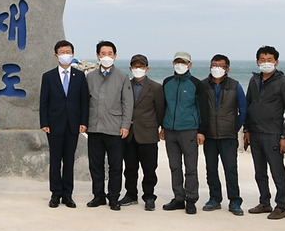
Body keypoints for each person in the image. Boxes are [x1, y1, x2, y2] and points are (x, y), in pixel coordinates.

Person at [243, 45, 285, 220]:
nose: (266, 63)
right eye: (262, 60)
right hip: (255, 133)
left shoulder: (284, 82)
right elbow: (248, 105)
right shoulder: (254, 81)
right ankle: (264, 202)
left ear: (276, 62)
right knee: (259, 172)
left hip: (273, 134)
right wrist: (247, 130)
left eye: (270, 60)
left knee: (277, 171)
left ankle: (281, 206)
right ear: (257, 61)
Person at [39, 40, 88, 208]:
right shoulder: (48, 76)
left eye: (68, 51)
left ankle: (68, 195)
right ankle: (55, 194)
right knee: (55, 160)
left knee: (69, 160)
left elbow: (84, 101)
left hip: (73, 124)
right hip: (54, 124)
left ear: (72, 54)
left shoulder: (80, 76)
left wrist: (83, 122)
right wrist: (44, 122)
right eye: (62, 52)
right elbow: (43, 102)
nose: (65, 54)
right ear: (56, 55)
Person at [85, 41, 133, 211]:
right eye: (103, 53)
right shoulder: (90, 77)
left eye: (110, 53)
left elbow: (128, 103)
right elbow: (86, 102)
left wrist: (125, 125)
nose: (106, 56)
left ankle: (113, 197)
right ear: (98, 56)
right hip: (95, 127)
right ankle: (98, 196)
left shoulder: (122, 77)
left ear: (115, 56)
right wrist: (85, 123)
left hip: (115, 128)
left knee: (116, 166)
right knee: (96, 165)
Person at [198, 54, 248, 216]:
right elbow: (198, 109)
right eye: (214, 65)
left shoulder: (235, 86)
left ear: (227, 69)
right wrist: (201, 130)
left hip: (228, 136)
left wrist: (235, 127)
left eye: (220, 66)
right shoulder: (203, 85)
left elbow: (244, 109)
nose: (216, 68)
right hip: (209, 135)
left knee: (231, 169)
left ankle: (234, 201)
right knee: (211, 169)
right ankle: (215, 198)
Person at [160, 52, 204, 215]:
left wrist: (201, 131)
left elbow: (202, 109)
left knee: (190, 167)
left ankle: (191, 199)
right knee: (174, 166)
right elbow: (163, 106)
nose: (180, 65)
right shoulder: (167, 82)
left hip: (189, 130)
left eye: (183, 62)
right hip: (170, 131)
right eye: (177, 62)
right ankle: (178, 198)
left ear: (190, 65)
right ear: (173, 63)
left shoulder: (196, 84)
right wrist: (162, 127)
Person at [121, 54, 165, 211]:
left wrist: (155, 126)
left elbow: (160, 110)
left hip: (148, 134)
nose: (138, 69)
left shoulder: (156, 87)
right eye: (135, 66)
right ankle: (131, 194)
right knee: (130, 168)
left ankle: (149, 196)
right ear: (130, 68)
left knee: (149, 168)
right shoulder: (126, 85)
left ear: (147, 68)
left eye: (141, 66)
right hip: (129, 134)